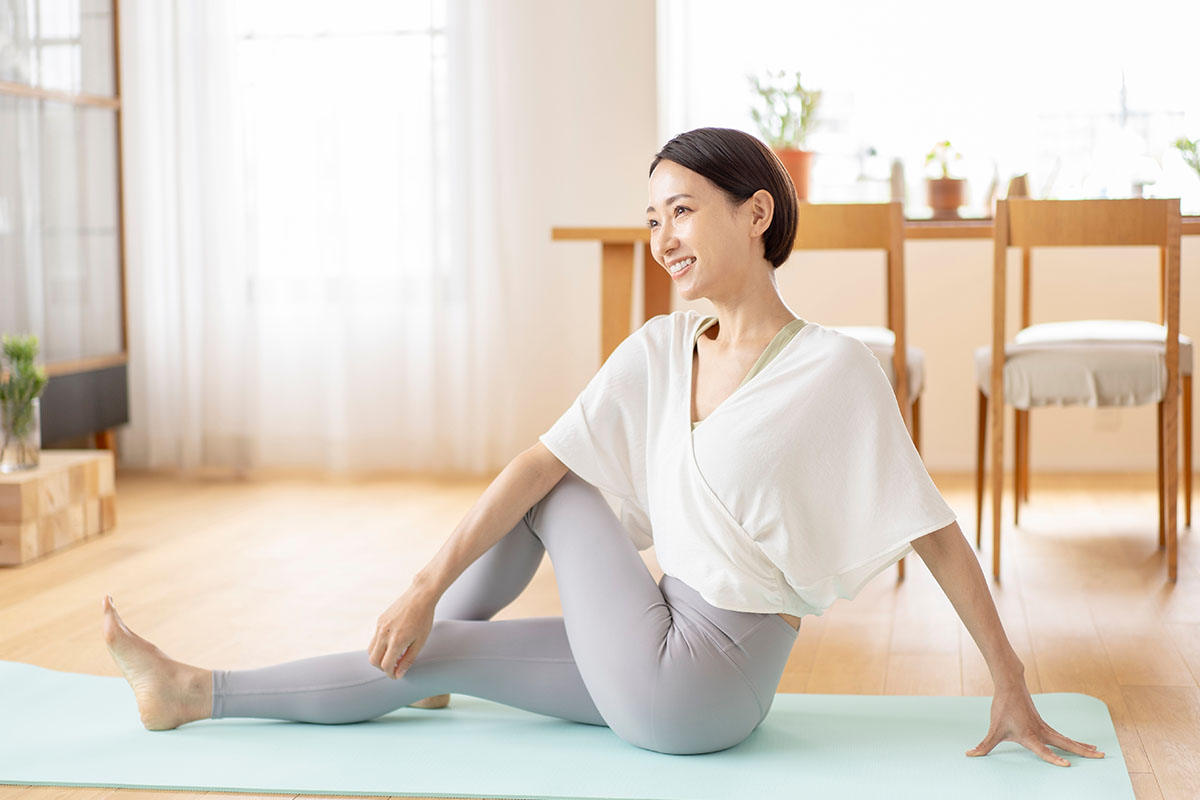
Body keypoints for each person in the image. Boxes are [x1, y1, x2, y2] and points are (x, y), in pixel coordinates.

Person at [102, 127, 1103, 764]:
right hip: (666, 648)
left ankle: (430, 622)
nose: (664, 236)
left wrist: (1011, 680)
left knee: (555, 479)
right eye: (652, 215)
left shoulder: (833, 369)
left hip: (702, 676)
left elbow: (931, 531)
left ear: (756, 213)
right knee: (441, 627)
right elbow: (537, 464)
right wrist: (420, 596)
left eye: (684, 211)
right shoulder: (665, 346)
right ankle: (192, 690)